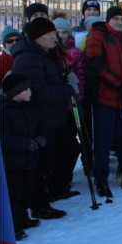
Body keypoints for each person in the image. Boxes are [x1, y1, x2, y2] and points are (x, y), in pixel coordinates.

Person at [11, 16, 74, 219]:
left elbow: (51, 80)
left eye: (53, 32)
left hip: (56, 115)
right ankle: (39, 204)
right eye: (48, 34)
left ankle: (56, 189)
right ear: (36, 37)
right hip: (41, 118)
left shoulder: (48, 54)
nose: (53, 37)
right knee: (43, 163)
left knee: (70, 150)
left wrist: (65, 78)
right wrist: (68, 88)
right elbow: (41, 92)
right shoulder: (28, 58)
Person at [85, 7, 122, 196]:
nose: (119, 22)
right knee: (103, 143)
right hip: (105, 99)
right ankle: (101, 180)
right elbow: (96, 64)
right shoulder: (97, 37)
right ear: (108, 20)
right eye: (116, 19)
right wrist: (120, 86)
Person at [0, 73, 46, 241]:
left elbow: (41, 125)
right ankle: (14, 226)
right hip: (13, 163)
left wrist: (42, 137)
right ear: (14, 92)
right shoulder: (4, 111)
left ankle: (24, 218)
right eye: (25, 89)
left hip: (30, 160)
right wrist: (26, 143)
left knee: (27, 192)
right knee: (14, 195)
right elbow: (4, 138)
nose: (30, 92)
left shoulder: (31, 108)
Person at [50, 14, 85, 201]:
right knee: (61, 147)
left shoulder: (75, 52)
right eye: (57, 32)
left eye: (64, 32)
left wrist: (78, 95)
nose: (61, 35)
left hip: (72, 103)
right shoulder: (50, 52)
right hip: (56, 105)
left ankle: (65, 180)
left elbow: (81, 75)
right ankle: (56, 183)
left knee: (71, 144)